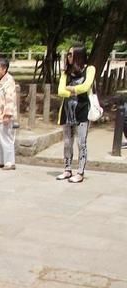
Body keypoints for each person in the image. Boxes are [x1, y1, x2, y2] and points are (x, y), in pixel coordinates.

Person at [56, 45, 96, 184]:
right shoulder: (65, 73)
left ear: (79, 55)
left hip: (82, 111)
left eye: (72, 54)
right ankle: (67, 169)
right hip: (67, 112)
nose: (69, 57)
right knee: (67, 142)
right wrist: (74, 91)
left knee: (81, 143)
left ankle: (80, 171)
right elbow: (60, 91)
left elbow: (86, 87)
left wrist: (72, 88)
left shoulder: (89, 70)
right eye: (68, 54)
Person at [0, 58, 17, 170]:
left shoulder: (9, 81)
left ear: (4, 68)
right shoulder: (0, 81)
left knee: (6, 139)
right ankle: (0, 160)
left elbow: (10, 99)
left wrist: (7, 114)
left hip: (5, 115)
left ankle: (9, 162)